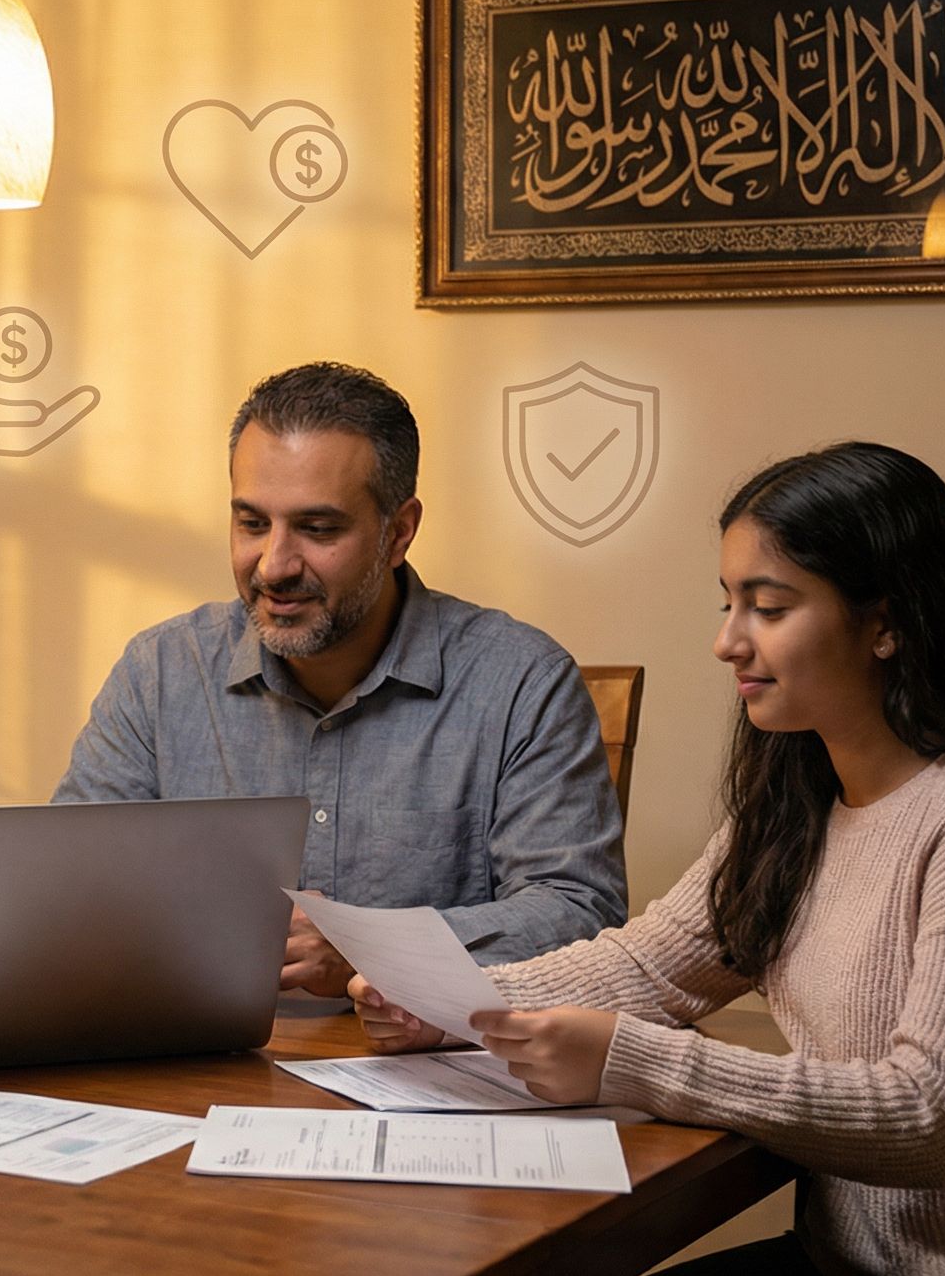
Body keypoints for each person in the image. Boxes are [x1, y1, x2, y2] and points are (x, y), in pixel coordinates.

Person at [353, 442, 945, 1276]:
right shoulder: (802, 796)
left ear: (886, 624)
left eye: (768, 607)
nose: (726, 641)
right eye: (728, 602)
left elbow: (930, 1119)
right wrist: (458, 1002)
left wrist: (632, 1061)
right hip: (852, 1267)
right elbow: (653, 968)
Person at [56, 361, 626, 992]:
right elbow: (72, 889)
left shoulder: (522, 683)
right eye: (251, 523)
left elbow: (579, 915)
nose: (273, 565)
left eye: (317, 529)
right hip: (195, 1065)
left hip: (421, 1074)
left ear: (398, 533)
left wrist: (372, 950)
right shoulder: (159, 673)